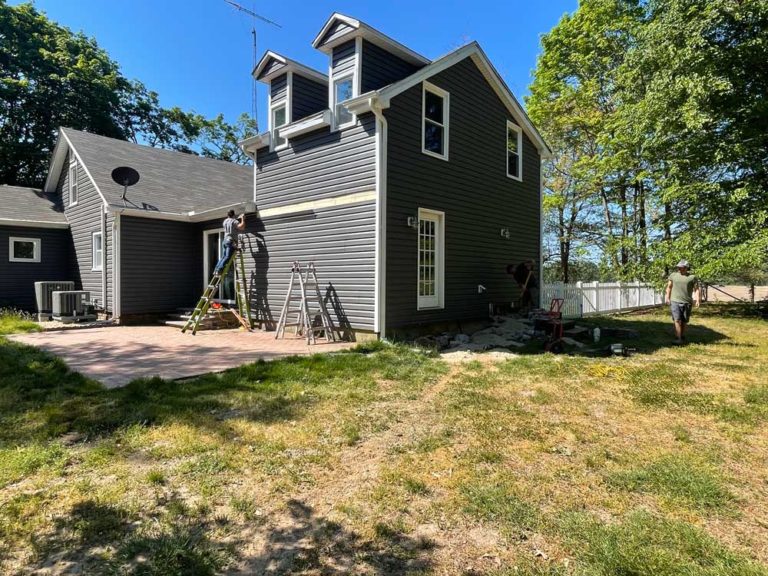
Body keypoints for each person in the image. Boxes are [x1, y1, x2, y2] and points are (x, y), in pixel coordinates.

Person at [665, 259, 701, 344]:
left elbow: (696, 289)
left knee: (684, 320)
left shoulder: (692, 277)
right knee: (677, 319)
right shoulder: (673, 275)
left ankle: (682, 336)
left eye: (682, 267)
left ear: (686, 268)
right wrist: (667, 297)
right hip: (675, 301)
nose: (680, 269)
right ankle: (678, 338)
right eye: (679, 267)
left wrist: (698, 300)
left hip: (687, 302)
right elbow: (669, 287)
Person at [213, 210, 246, 276]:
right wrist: (243, 219)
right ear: (233, 215)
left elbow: (231, 226)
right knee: (227, 257)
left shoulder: (225, 221)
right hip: (231, 241)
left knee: (223, 257)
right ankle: (219, 269)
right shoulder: (234, 221)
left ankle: (216, 270)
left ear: (227, 215)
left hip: (225, 241)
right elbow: (242, 227)